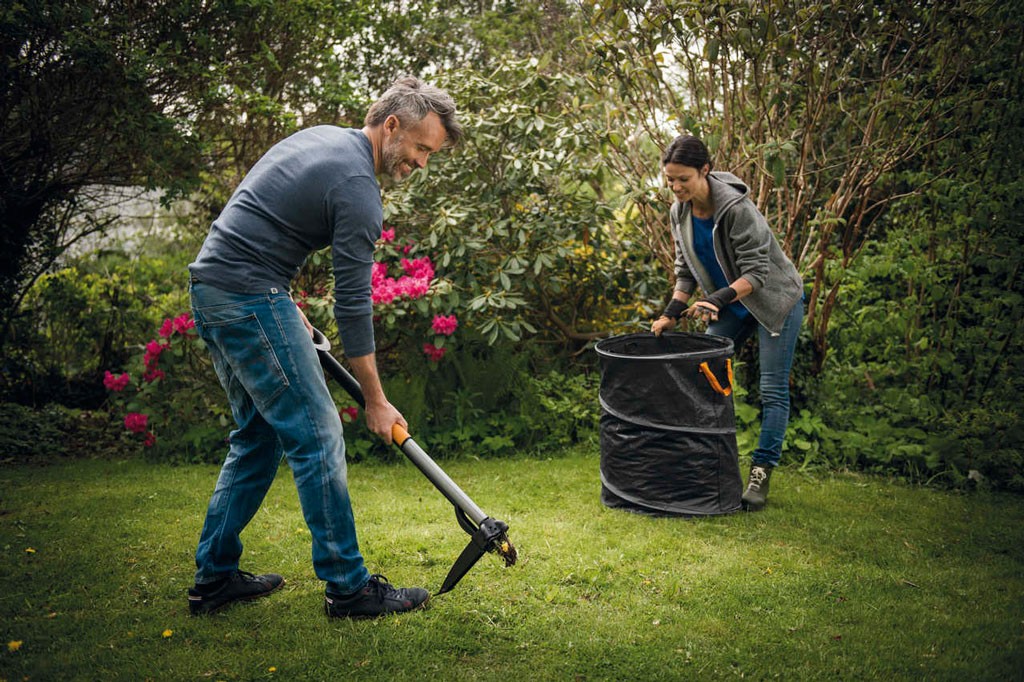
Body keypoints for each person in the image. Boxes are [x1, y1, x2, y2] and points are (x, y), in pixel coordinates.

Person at [185, 77, 462, 618]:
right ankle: (349, 589)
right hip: (245, 295)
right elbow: (354, 307)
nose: (423, 164)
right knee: (317, 433)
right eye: (421, 149)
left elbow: (259, 224)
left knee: (258, 436)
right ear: (391, 127)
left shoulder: (324, 139)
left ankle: (214, 578)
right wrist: (377, 401)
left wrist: (283, 308)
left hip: (215, 288)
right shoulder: (358, 188)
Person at [651, 134, 803, 511]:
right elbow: (685, 270)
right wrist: (671, 312)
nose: (676, 187)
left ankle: (760, 473)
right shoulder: (679, 212)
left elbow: (757, 273)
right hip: (730, 305)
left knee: (771, 391)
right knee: (703, 378)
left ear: (705, 170)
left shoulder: (736, 208)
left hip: (773, 302)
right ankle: (711, 465)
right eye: (669, 179)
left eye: (683, 178)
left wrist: (714, 299)